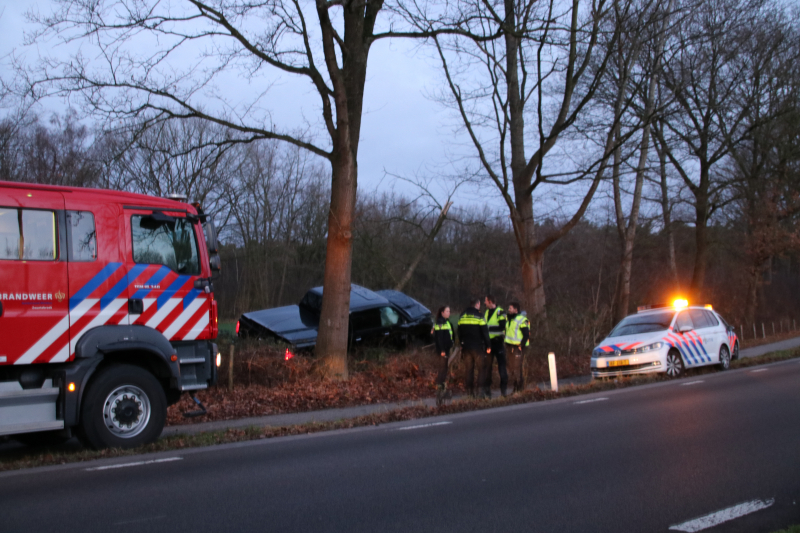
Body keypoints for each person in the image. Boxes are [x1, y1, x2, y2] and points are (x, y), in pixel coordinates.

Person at [457, 298, 491, 398]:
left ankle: (469, 393)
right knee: (481, 369)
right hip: (478, 347)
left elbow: (459, 331)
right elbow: (485, 332)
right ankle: (480, 393)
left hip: (466, 347)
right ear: (477, 304)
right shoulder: (479, 316)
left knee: (469, 369)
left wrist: (462, 343)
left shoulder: (462, 315)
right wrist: (488, 345)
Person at [483, 294, 508, 397]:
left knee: (501, 366)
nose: (484, 303)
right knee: (487, 367)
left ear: (490, 301)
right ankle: (487, 390)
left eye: (486, 301)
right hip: (488, 344)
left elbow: (503, 326)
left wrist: (488, 329)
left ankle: (503, 390)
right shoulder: (486, 312)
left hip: (498, 343)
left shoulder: (500, 312)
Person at [504, 302, 530, 393]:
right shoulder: (509, 319)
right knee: (512, 368)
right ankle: (516, 388)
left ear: (516, 310)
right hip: (510, 346)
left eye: (510, 308)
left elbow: (526, 334)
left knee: (517, 368)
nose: (509, 310)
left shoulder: (522, 319)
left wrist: (521, 346)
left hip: (517, 347)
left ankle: (519, 389)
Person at [432, 306, 454, 405]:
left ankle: (442, 389)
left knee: (444, 369)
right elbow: (439, 338)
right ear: (442, 312)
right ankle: (440, 389)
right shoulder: (440, 323)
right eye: (447, 311)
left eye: (449, 311)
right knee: (442, 369)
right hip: (443, 351)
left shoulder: (446, 322)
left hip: (446, 349)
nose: (449, 313)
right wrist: (442, 350)